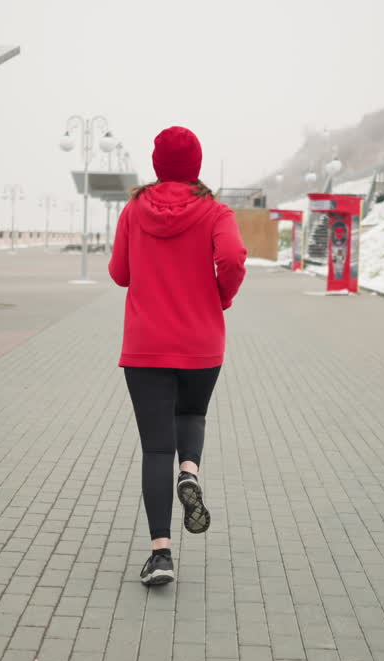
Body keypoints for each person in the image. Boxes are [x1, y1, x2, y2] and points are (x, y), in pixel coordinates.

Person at [108, 126, 248, 586]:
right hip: (202, 343)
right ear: (197, 166)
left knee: (154, 447)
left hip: (146, 345)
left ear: (157, 165)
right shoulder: (216, 211)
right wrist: (219, 298)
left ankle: (161, 554)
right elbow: (231, 257)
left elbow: (119, 273)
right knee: (192, 413)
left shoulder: (133, 210)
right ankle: (189, 472)